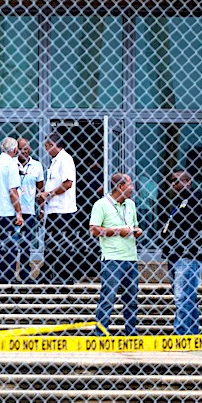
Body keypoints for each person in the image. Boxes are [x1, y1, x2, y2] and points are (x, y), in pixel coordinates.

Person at [161, 170, 202, 335]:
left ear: (187, 182)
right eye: (171, 181)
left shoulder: (198, 199)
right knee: (186, 297)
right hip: (174, 253)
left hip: (189, 253)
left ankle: (182, 333)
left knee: (183, 296)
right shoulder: (178, 202)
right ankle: (191, 332)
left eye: (176, 181)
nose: (173, 185)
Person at [89, 173, 142, 335]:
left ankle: (131, 333)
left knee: (132, 300)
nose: (133, 188)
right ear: (120, 187)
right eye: (130, 185)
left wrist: (136, 231)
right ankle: (101, 334)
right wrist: (118, 231)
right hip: (112, 258)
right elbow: (94, 230)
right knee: (108, 298)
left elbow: (134, 225)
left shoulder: (131, 205)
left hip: (131, 258)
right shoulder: (101, 205)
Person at [37, 133, 77, 284]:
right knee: (51, 244)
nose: (46, 150)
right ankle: (49, 276)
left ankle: (62, 277)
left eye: (47, 147)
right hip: (53, 210)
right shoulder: (55, 162)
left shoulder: (65, 160)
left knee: (61, 245)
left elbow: (68, 184)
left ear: (53, 145)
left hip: (63, 210)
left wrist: (49, 194)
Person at [0, 137, 23, 284]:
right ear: (14, 150)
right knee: (9, 245)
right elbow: (12, 191)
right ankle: (7, 276)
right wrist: (19, 212)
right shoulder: (11, 165)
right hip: (7, 211)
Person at [16, 137, 44, 282]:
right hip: (13, 211)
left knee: (26, 244)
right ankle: (9, 273)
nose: (24, 152)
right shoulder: (11, 164)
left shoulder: (37, 166)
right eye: (21, 149)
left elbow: (40, 190)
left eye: (26, 148)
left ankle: (25, 273)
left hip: (29, 211)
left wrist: (41, 209)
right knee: (11, 243)